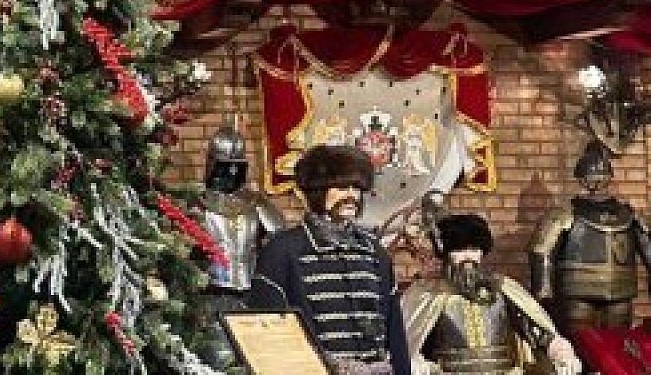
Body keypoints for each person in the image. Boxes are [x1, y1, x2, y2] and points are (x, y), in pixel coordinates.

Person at [254, 145, 410, 375]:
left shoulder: (375, 253)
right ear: (317, 192)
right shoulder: (281, 252)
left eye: (357, 188)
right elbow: (269, 334)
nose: (352, 195)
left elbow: (395, 334)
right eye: (342, 187)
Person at [403, 214, 581, 375]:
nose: (468, 257)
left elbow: (535, 329)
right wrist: (417, 363)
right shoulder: (426, 294)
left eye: (474, 249)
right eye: (460, 250)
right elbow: (411, 342)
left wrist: (560, 351)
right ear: (445, 254)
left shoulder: (502, 288)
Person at [528, 140, 651, 332]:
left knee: (608, 346)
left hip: (610, 294)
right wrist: (544, 295)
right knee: (597, 345)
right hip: (581, 294)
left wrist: (544, 296)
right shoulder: (566, 213)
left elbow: (541, 252)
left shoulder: (629, 214)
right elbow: (541, 253)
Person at [199, 120, 285, 368]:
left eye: (236, 167)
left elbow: (278, 242)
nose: (231, 173)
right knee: (216, 360)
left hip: (252, 293)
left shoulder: (257, 203)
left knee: (254, 359)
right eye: (225, 167)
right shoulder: (197, 203)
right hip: (211, 293)